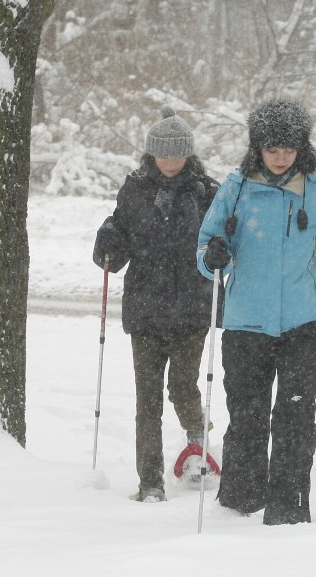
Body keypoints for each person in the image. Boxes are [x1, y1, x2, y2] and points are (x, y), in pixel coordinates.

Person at [196, 98, 316, 525]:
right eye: (272, 148)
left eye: (289, 149)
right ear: (257, 147)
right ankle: (241, 502)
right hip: (246, 323)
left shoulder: (315, 189)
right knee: (248, 415)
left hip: (303, 323)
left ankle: (289, 508)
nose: (280, 157)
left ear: (301, 148)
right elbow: (205, 249)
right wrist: (214, 255)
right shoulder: (235, 188)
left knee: (295, 417)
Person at [92, 105, 221, 504]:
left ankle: (198, 443)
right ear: (151, 153)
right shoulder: (134, 189)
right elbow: (121, 236)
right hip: (146, 308)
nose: (170, 162)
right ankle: (150, 481)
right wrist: (108, 243)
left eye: (177, 154)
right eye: (163, 155)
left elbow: (223, 241)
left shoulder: (207, 191)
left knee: (182, 386)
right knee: (146, 398)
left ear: (188, 154)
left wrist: (221, 248)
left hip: (191, 308)